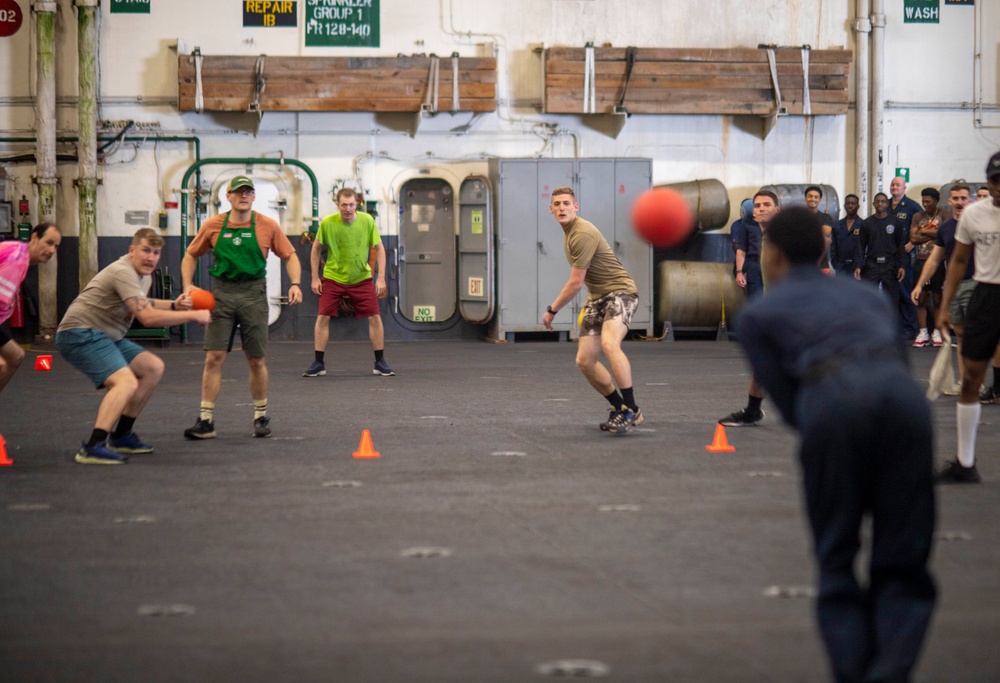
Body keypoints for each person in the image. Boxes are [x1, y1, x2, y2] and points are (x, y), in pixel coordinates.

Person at [737, 206, 936, 683]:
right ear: (826, 247)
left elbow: (788, 404)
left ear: (774, 254)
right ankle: (891, 672)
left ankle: (852, 672)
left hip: (832, 404)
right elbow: (899, 361)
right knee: (903, 561)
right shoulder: (867, 296)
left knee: (837, 555)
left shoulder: (759, 315)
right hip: (904, 403)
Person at [56, 228, 211, 464]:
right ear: (132, 250)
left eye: (156, 252)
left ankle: (121, 436)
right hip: (80, 333)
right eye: (146, 251)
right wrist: (192, 315)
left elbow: (138, 303)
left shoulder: (143, 275)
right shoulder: (123, 271)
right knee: (125, 382)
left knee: (152, 367)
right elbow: (146, 317)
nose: (151, 257)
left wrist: (174, 305)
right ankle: (93, 446)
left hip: (107, 336)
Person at [181, 175, 302, 440]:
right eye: (238, 192)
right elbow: (191, 254)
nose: (243, 195)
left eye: (248, 191)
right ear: (229, 196)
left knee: (256, 359)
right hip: (222, 295)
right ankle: (206, 421)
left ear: (254, 196)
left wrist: (295, 283)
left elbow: (290, 255)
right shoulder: (213, 225)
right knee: (213, 357)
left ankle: (260, 416)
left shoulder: (267, 225)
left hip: (253, 295)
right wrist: (188, 285)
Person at [542, 186, 642, 434]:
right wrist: (592, 295)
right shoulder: (569, 234)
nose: (562, 208)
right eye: (557, 204)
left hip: (621, 293)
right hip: (598, 298)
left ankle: (630, 409)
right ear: (551, 209)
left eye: (567, 203)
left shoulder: (582, 233)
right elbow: (593, 271)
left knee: (609, 344)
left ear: (576, 207)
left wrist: (552, 310)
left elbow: (575, 282)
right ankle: (618, 406)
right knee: (585, 361)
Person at [935, 153, 1000, 483]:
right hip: (986, 295)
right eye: (996, 182)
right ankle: (965, 462)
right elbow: (958, 261)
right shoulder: (974, 214)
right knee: (972, 378)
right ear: (988, 183)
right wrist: (945, 306)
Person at [302, 188, 393, 378]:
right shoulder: (328, 223)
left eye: (351, 205)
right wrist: (314, 277)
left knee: (375, 317)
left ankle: (380, 362)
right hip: (334, 278)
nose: (348, 209)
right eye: (344, 205)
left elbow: (380, 248)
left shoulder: (367, 221)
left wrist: (382, 277)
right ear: (338, 205)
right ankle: (318, 363)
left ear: (356, 205)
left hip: (361, 279)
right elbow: (316, 249)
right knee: (322, 317)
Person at [719, 189, 780, 427]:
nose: (761, 208)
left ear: (778, 209)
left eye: (767, 204)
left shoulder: (782, 239)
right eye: (757, 205)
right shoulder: (763, 237)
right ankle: (753, 410)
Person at [911, 184, 973, 394]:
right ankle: (966, 381)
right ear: (950, 201)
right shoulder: (946, 228)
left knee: (980, 337)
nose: (959, 202)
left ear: (969, 199)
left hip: (979, 286)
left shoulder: (977, 223)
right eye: (955, 198)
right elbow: (934, 259)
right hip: (954, 287)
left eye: (963, 198)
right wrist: (919, 284)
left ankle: (981, 381)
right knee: (962, 335)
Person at [0, 223, 61, 397]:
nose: (52, 250)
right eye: (48, 243)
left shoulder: (20, 255)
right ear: (34, 237)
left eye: (56, 246)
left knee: (15, 356)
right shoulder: (16, 259)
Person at [854, 193, 906, 319]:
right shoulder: (866, 223)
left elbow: (900, 246)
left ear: (887, 204)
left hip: (890, 264)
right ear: (873, 203)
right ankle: (869, 328)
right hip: (872, 265)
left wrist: (901, 266)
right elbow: (861, 246)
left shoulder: (895, 222)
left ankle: (892, 330)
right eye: (877, 201)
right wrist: (858, 266)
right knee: (868, 297)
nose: (880, 204)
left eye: (883, 201)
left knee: (892, 299)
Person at [909, 188, 950, 348]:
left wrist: (924, 230)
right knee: (921, 298)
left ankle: (937, 332)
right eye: (923, 201)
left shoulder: (944, 214)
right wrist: (934, 233)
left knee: (938, 298)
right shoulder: (917, 216)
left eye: (928, 201)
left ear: (936, 201)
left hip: (939, 261)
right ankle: (923, 332)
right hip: (921, 260)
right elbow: (913, 238)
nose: (925, 204)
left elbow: (945, 234)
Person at [889, 177, 922, 341]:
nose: (895, 187)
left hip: (905, 256)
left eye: (898, 185)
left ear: (904, 188)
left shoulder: (912, 206)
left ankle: (910, 328)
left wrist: (913, 243)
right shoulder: (885, 205)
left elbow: (923, 224)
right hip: (889, 256)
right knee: (891, 293)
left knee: (905, 292)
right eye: (893, 185)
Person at [732, 198, 764, 299]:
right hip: (754, 264)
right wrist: (739, 272)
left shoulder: (776, 225)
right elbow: (741, 249)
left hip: (770, 263)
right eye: (756, 206)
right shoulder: (745, 225)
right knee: (755, 298)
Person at [830, 193, 861, 276]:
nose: (850, 206)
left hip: (857, 268)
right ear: (844, 206)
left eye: (853, 204)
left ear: (858, 206)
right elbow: (833, 247)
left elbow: (866, 248)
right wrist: (836, 265)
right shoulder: (837, 225)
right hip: (841, 267)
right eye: (848, 203)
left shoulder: (863, 225)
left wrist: (861, 265)